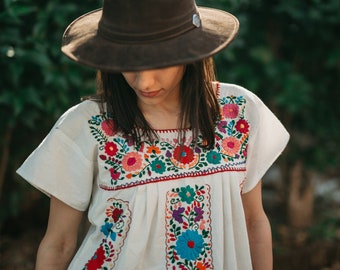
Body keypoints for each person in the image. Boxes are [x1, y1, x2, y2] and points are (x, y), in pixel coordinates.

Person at [17, 0, 289, 269]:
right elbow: (59, 243)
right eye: (129, 62)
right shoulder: (87, 124)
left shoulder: (238, 112)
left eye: (160, 63)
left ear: (190, 52)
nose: (144, 82)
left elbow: (253, 221)